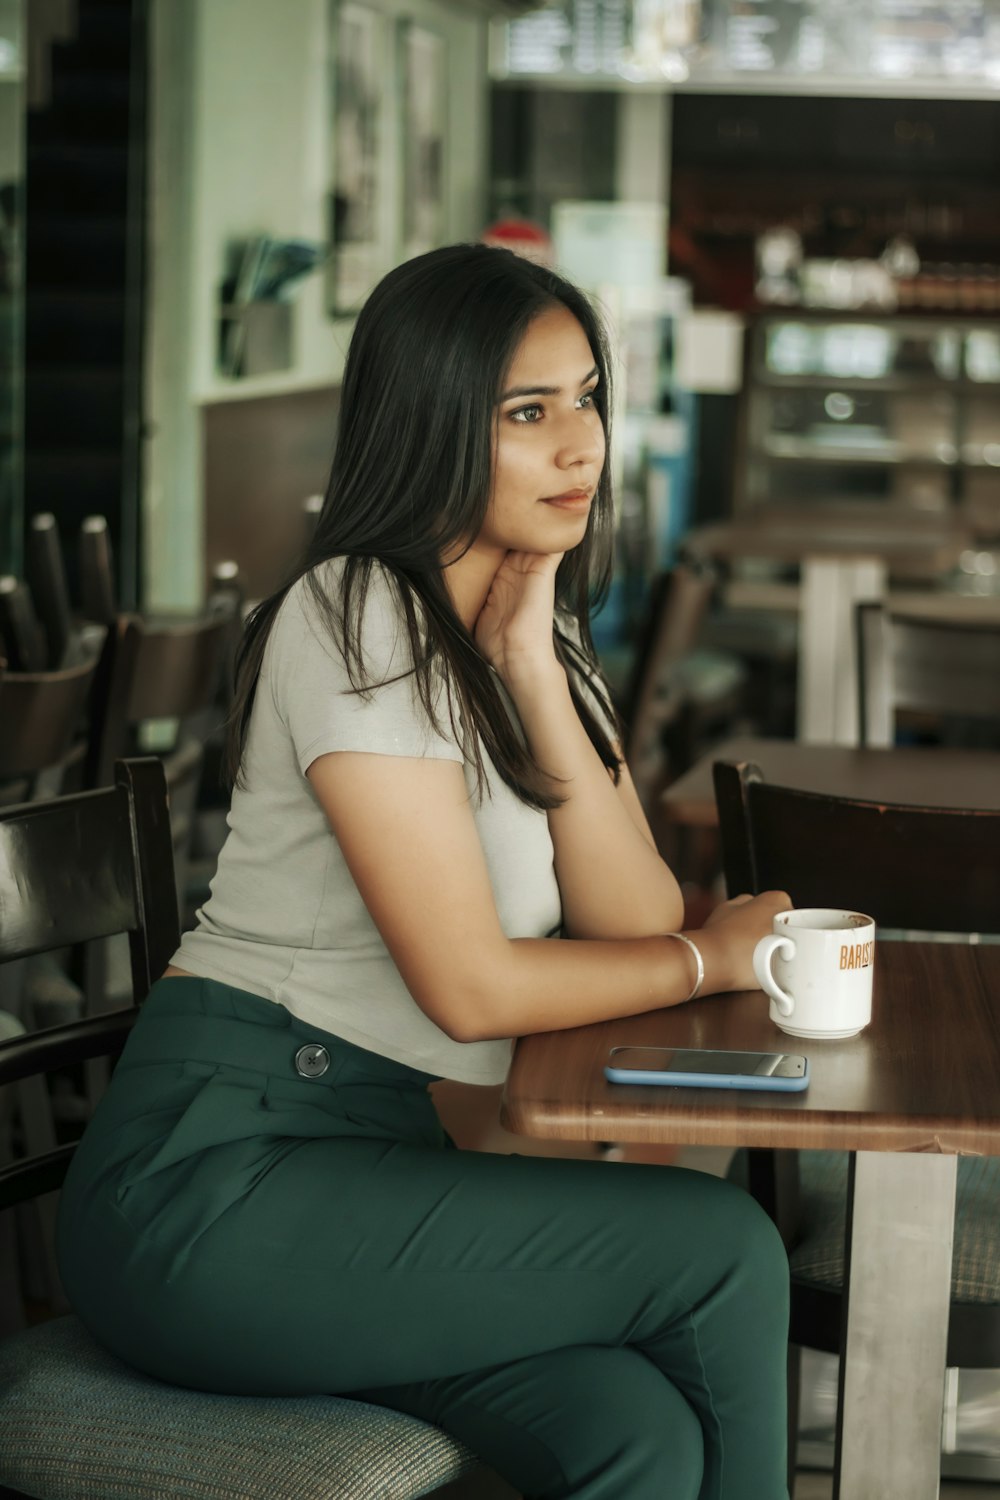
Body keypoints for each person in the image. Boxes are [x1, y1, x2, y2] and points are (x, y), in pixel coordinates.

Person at [57, 243, 791, 1500]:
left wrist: (532, 672)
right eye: (526, 411)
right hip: (216, 1191)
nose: (580, 445)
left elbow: (635, 909)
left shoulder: (522, 623)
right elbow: (469, 989)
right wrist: (706, 961)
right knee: (721, 1248)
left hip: (377, 1177)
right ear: (431, 423)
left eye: (586, 398)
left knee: (631, 1431)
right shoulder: (354, 613)